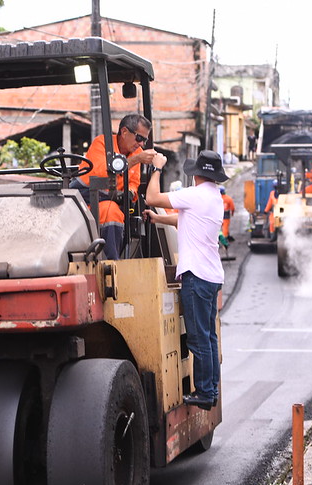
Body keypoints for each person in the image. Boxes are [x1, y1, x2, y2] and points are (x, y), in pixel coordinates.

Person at [144, 150, 227, 410]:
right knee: (209, 337)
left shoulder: (195, 195)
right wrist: (158, 218)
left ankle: (203, 392)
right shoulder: (214, 197)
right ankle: (210, 390)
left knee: (198, 338)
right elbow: (184, 221)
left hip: (197, 276)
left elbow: (151, 197)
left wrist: (157, 168)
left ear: (197, 174)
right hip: (211, 275)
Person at [71, 114, 156, 259]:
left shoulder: (137, 153)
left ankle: (114, 260)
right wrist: (134, 160)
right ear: (124, 132)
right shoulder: (102, 143)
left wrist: (130, 192)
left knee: (113, 210)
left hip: (111, 200)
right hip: (84, 199)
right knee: (110, 212)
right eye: (139, 138)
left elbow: (134, 182)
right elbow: (100, 172)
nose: (141, 144)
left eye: (145, 140)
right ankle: (112, 263)